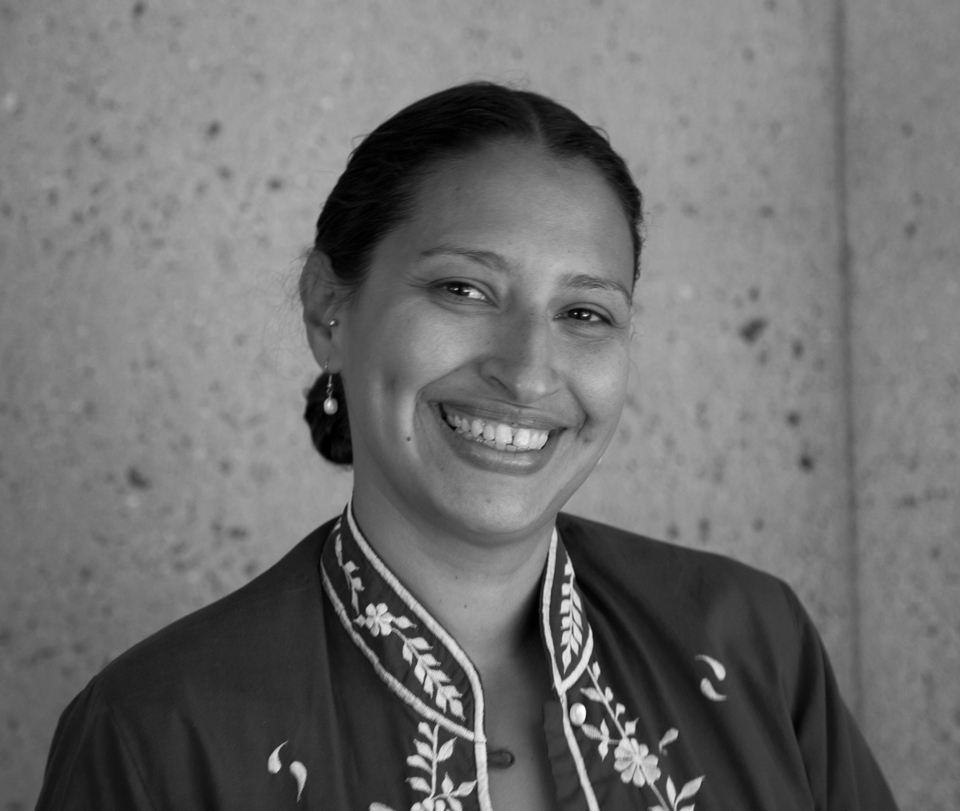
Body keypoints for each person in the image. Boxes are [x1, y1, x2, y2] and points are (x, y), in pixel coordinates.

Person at [35, 82, 899, 811]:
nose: (527, 372)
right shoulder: (157, 734)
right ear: (329, 309)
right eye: (464, 289)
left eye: (584, 312)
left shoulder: (754, 646)